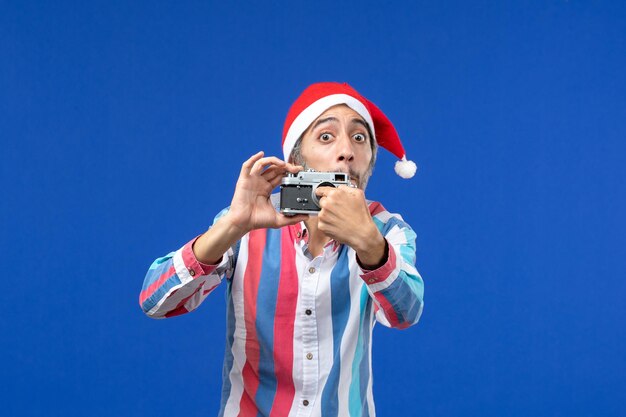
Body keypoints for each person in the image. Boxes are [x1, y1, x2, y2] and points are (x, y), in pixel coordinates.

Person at [139, 82, 424, 417]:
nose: (347, 150)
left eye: (359, 138)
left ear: (370, 162)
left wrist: (370, 245)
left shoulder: (388, 231)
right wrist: (232, 225)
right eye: (326, 136)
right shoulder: (246, 224)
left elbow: (405, 314)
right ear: (295, 160)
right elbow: (155, 301)